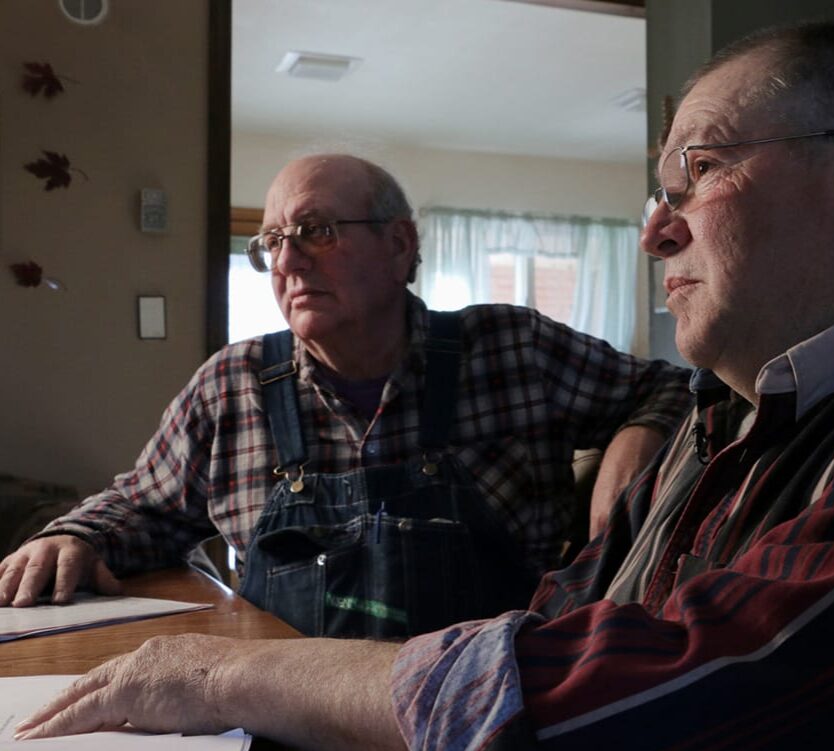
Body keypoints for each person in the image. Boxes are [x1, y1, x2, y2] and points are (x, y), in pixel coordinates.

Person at [12, 21, 834, 751]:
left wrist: (223, 674)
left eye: (691, 173)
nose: (653, 229)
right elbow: (566, 616)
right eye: (270, 243)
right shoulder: (732, 422)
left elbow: (717, 712)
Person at [0, 153, 692, 638]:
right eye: (272, 240)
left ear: (399, 246)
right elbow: (141, 505)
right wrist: (72, 534)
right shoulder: (230, 386)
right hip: (297, 727)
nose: (288, 260)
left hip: (498, 716)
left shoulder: (512, 347)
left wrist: (641, 433)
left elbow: (675, 385)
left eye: (317, 231)